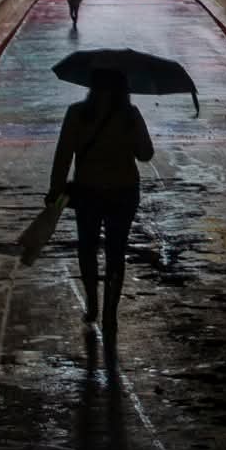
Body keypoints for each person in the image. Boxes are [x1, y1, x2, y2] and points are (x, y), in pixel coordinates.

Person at [48, 68, 154, 335]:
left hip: (88, 192)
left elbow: (63, 156)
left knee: (87, 247)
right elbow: (146, 154)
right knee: (116, 252)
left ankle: (92, 301)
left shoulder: (77, 113)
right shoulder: (130, 116)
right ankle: (110, 312)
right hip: (124, 191)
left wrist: (56, 191)